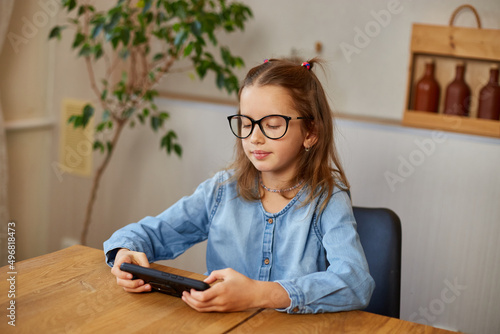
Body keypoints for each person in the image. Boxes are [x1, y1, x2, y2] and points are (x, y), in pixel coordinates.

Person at [103, 57, 375, 314]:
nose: (255, 137)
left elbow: (355, 283)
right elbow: (150, 233)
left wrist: (259, 294)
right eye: (246, 123)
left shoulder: (327, 198)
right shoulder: (222, 190)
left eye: (272, 124)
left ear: (311, 132)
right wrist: (124, 253)